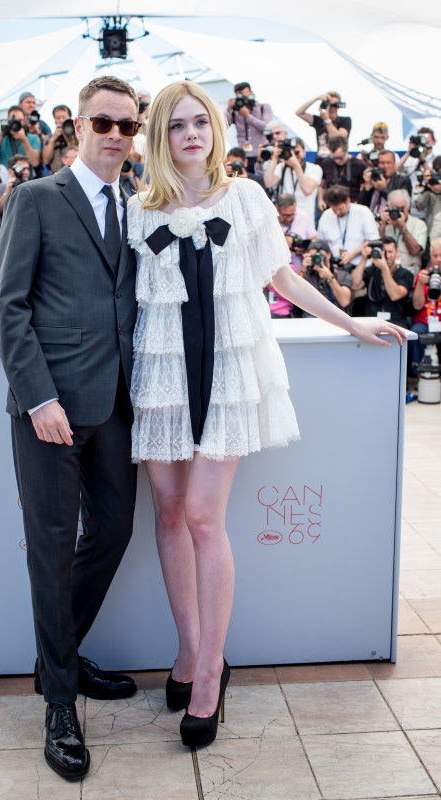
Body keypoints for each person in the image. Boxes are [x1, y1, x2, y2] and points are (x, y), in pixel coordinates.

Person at [127, 80, 406, 751]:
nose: (191, 134)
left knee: (201, 517)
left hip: (227, 371)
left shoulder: (246, 197)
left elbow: (281, 279)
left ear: (216, 130)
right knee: (166, 514)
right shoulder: (138, 209)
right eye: (176, 126)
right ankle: (191, 653)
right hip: (162, 373)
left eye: (201, 122)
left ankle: (208, 679)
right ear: (159, 137)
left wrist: (350, 322)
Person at [0, 75, 142, 783]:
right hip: (49, 409)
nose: (117, 135)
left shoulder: (133, 207)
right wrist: (37, 397)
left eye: (128, 126)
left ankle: (59, 653)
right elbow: (9, 306)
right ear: (78, 127)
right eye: (105, 123)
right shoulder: (37, 199)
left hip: (114, 405)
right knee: (49, 553)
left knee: (113, 530)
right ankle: (59, 701)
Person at [352, 237, 413, 328]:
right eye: (384, 252)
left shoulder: (405, 274)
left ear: (396, 252)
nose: (387, 256)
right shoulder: (372, 270)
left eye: (390, 252)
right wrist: (364, 258)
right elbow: (355, 285)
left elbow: (395, 295)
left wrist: (384, 269)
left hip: (395, 322)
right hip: (372, 320)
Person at [317, 185, 379, 269]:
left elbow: (373, 239)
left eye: (340, 209)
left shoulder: (363, 212)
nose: (337, 213)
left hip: (359, 265)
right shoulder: (326, 216)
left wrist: (353, 253)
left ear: (348, 201)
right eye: (334, 210)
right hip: (334, 265)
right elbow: (321, 242)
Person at [263, 137, 322, 220]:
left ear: (304, 152)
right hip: (285, 218)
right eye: (291, 152)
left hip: (305, 219)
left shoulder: (315, 169)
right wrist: (274, 159)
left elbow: (307, 190)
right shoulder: (282, 167)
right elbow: (268, 183)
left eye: (297, 152)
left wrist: (296, 166)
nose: (293, 155)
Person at [377, 189, 427, 276]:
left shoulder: (419, 224)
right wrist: (382, 224)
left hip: (409, 271)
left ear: (408, 207)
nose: (398, 212)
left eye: (401, 208)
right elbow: (377, 247)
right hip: (387, 272)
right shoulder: (386, 224)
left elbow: (415, 251)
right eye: (395, 209)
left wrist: (403, 228)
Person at [226, 81, 273, 173]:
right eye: (239, 95)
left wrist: (247, 116)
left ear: (251, 93)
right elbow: (223, 126)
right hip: (243, 155)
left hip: (260, 154)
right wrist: (228, 109)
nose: (243, 98)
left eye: (244, 94)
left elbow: (267, 127)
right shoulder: (235, 111)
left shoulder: (263, 107)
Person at [409, 240, 441, 371]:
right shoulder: (424, 274)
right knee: (415, 334)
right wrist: (421, 283)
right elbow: (417, 305)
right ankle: (418, 375)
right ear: (430, 256)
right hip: (425, 321)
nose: (439, 259)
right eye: (435, 256)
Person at [295, 91, 351, 161]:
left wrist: (327, 120)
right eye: (329, 105)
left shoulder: (345, 120)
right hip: (321, 161)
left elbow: (340, 138)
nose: (332, 108)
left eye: (335, 105)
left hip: (338, 161)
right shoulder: (319, 121)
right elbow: (299, 113)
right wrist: (317, 98)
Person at [300, 240, 352, 312]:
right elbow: (296, 296)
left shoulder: (342, 274)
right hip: (311, 316)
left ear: (329, 255)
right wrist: (303, 270)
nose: (317, 259)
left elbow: (344, 301)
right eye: (314, 256)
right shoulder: (306, 274)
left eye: (320, 256)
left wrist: (330, 278)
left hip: (335, 316)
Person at [0, 105, 41, 173]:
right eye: (13, 120)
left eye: (19, 120)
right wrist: (2, 133)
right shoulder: (3, 138)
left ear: (25, 120)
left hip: (26, 179)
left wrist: (24, 140)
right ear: (8, 120)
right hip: (6, 178)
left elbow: (35, 162)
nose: (16, 123)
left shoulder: (33, 138)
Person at [358, 150, 412, 215]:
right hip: (371, 217)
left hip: (390, 220)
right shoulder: (373, 177)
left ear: (394, 163)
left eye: (388, 162)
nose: (385, 166)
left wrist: (383, 189)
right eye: (382, 163)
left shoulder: (403, 179)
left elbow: (400, 204)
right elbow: (361, 205)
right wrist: (367, 186)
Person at [319, 135, 365, 210]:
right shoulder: (326, 163)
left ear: (346, 151)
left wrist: (359, 202)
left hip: (351, 206)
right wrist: (320, 200)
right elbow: (322, 186)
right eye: (334, 158)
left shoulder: (359, 165)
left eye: (340, 157)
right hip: (330, 206)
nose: (337, 161)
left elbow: (364, 188)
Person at [42, 105, 78, 175]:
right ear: (54, 120)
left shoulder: (78, 136)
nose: (61, 120)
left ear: (70, 118)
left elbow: (77, 157)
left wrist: (69, 140)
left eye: (64, 117)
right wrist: (53, 139)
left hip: (73, 173)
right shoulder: (49, 138)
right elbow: (45, 161)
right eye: (58, 118)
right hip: (54, 175)